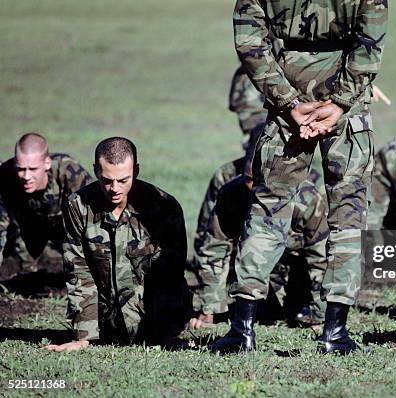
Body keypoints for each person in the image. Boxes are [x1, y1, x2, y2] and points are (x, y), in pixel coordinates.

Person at [210, 0, 388, 355]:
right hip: (346, 104)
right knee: (347, 217)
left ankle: (243, 329)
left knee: (267, 211)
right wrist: (339, 104)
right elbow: (369, 43)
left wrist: (290, 103)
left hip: (286, 95)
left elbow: (250, 42)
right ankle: (335, 332)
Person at [44, 137, 190, 352]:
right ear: (95, 171)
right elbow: (78, 272)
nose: (114, 188)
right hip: (106, 322)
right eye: (107, 180)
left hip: (154, 317)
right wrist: (85, 337)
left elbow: (170, 276)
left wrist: (166, 334)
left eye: (123, 180)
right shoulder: (78, 206)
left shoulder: (164, 207)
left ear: (136, 171)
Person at [189, 168, 328, 329]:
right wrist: (211, 308)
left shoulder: (305, 197)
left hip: (296, 274)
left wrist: (319, 314)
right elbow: (215, 249)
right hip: (252, 274)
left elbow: (321, 257)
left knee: (288, 309)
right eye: (248, 178)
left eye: (260, 179)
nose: (253, 186)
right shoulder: (232, 194)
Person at [0, 133, 92, 277]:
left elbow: (94, 221)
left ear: (47, 164)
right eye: (21, 169)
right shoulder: (5, 175)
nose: (26, 177)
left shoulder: (69, 173)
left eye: (33, 169)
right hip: (27, 228)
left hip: (66, 228)